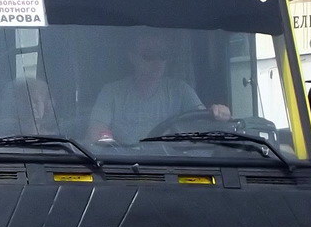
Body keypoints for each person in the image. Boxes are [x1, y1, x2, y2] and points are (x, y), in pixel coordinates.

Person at [88, 30, 230, 145]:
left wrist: (218, 114)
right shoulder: (112, 92)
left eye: (163, 55)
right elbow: (96, 132)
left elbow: (203, 124)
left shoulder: (180, 90)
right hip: (126, 166)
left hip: (171, 164)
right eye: (149, 55)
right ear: (132, 57)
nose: (158, 62)